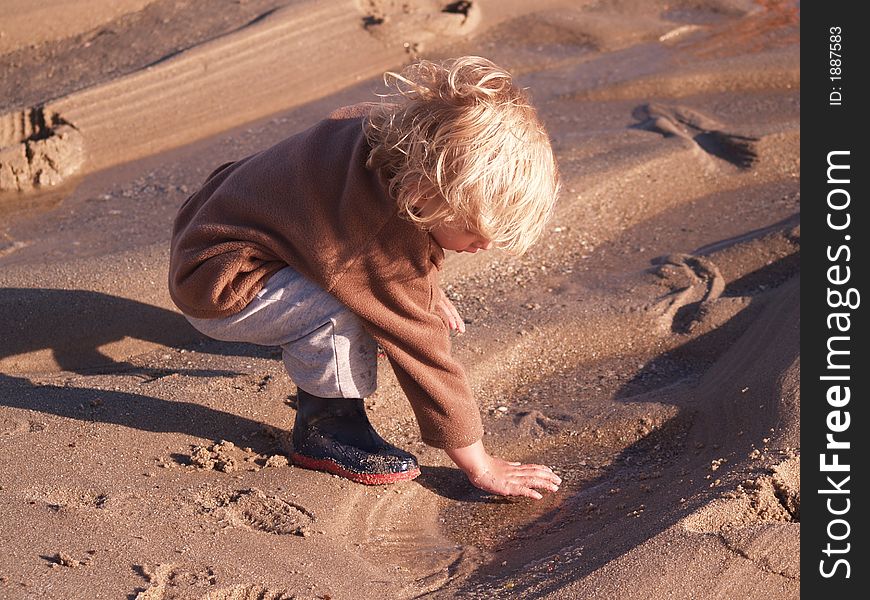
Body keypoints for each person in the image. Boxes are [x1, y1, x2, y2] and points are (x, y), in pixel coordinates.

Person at [169, 56, 562, 499]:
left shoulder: (390, 131)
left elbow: (378, 232)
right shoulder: (377, 236)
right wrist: (479, 463)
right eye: (473, 232)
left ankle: (328, 333)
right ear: (422, 195)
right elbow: (422, 349)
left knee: (376, 284)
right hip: (220, 281)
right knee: (348, 306)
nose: (484, 245)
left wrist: (423, 283)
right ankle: (328, 428)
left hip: (214, 222)